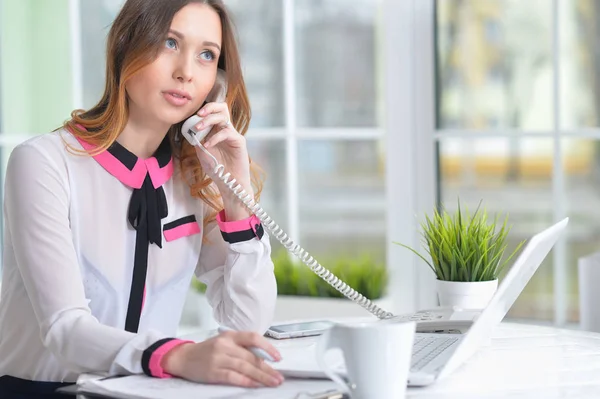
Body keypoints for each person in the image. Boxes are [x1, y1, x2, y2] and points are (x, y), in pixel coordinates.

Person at [0, 0, 285, 397]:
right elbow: (64, 329)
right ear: (126, 46)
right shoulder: (43, 163)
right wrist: (177, 356)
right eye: (170, 43)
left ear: (217, 81)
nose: (186, 72)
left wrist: (235, 195)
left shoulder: (195, 178)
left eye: (207, 55)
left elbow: (246, 328)